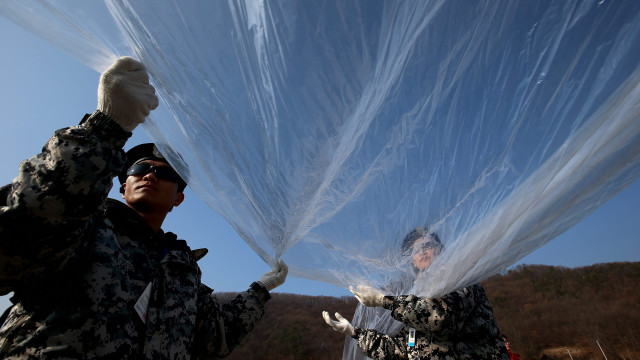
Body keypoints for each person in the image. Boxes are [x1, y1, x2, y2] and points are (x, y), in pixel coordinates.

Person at [0, 56, 288, 359]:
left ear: (178, 198)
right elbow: (21, 233)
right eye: (139, 168)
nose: (151, 174)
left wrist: (259, 291)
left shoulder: (183, 271)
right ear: (123, 185)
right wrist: (105, 128)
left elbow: (212, 340)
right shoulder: (84, 228)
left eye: (165, 174)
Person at [323, 227, 509, 359]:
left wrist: (384, 301)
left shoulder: (461, 279)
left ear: (439, 249)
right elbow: (400, 349)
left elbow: (440, 317)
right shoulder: (417, 300)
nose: (422, 252)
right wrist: (355, 332)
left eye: (427, 245)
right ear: (411, 260)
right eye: (414, 251)